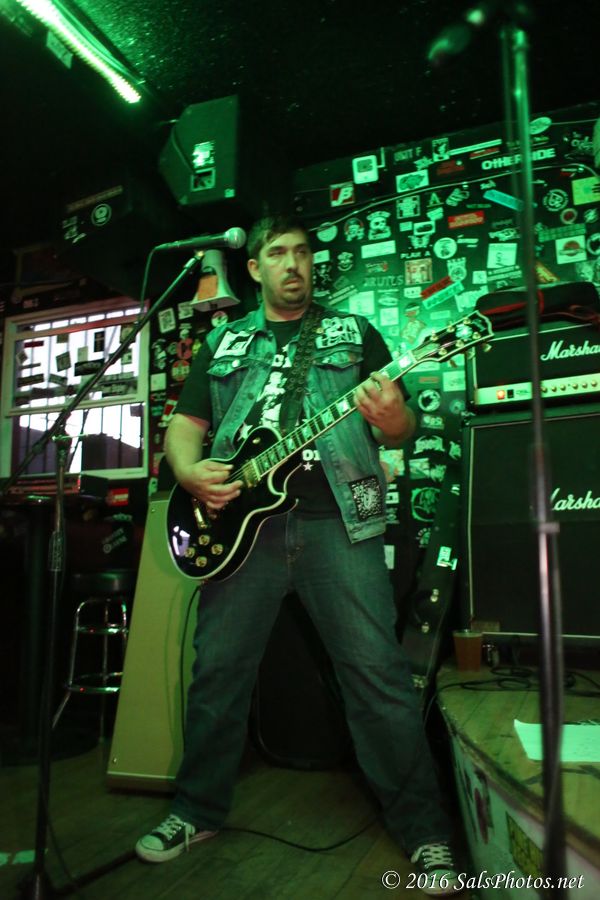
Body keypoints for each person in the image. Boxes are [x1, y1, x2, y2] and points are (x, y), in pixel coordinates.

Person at [136, 215, 461, 895]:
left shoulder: (354, 334)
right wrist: (189, 474)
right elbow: (185, 427)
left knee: (377, 676)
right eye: (278, 253)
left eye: (303, 252)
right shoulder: (225, 341)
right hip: (242, 535)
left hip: (338, 522)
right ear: (254, 268)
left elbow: (402, 427)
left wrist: (392, 418)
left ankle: (425, 831)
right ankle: (196, 810)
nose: (293, 264)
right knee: (217, 673)